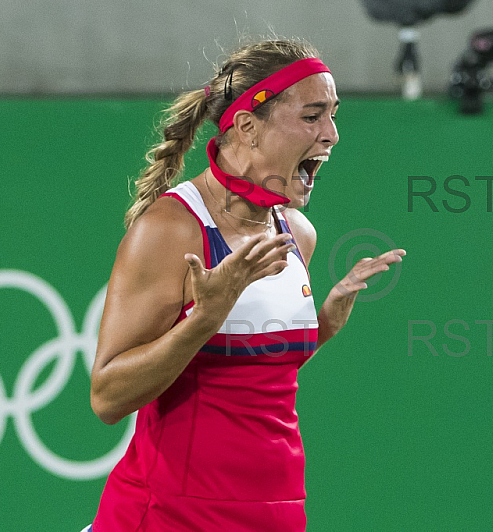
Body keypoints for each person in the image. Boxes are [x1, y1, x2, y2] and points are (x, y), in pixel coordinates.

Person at [84, 38, 406, 531]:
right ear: (248, 127)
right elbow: (108, 397)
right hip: (170, 515)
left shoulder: (297, 234)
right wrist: (205, 318)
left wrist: (322, 327)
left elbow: (248, 377)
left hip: (275, 513)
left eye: (333, 115)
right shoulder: (171, 227)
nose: (332, 135)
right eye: (312, 116)